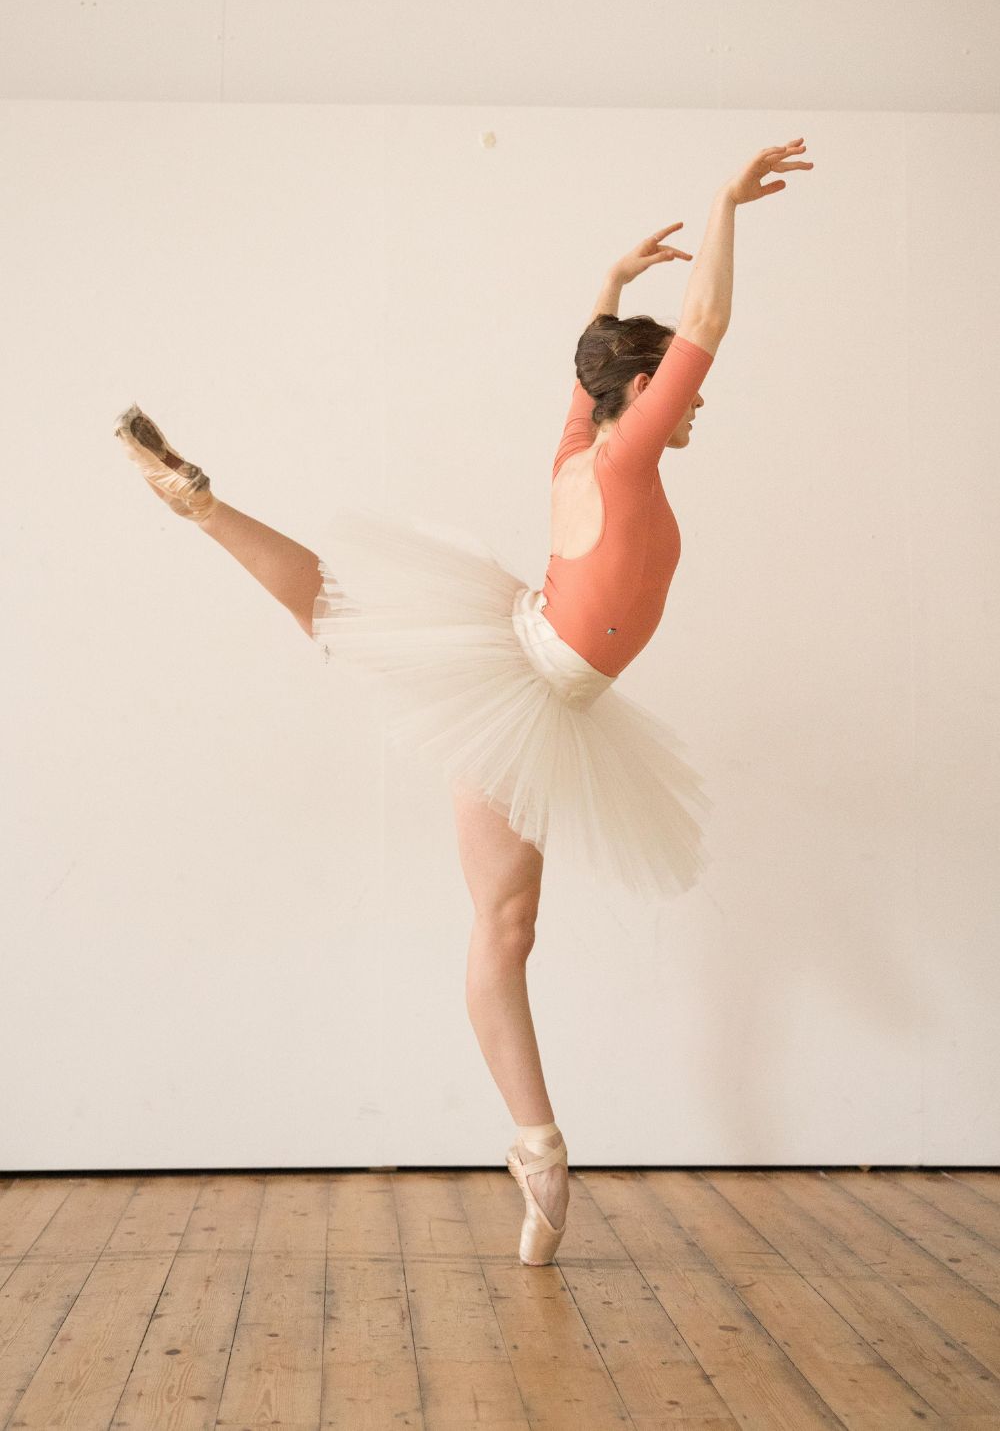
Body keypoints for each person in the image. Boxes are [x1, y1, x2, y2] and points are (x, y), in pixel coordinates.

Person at [113, 138, 813, 1266]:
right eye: (675, 394)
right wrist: (725, 207)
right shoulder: (626, 458)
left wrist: (607, 284)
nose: (694, 407)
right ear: (640, 393)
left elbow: (590, 371)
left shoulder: (583, 441)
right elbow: (708, 329)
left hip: (534, 668)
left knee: (347, 624)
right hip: (529, 687)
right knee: (500, 930)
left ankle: (204, 507)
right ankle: (536, 1148)